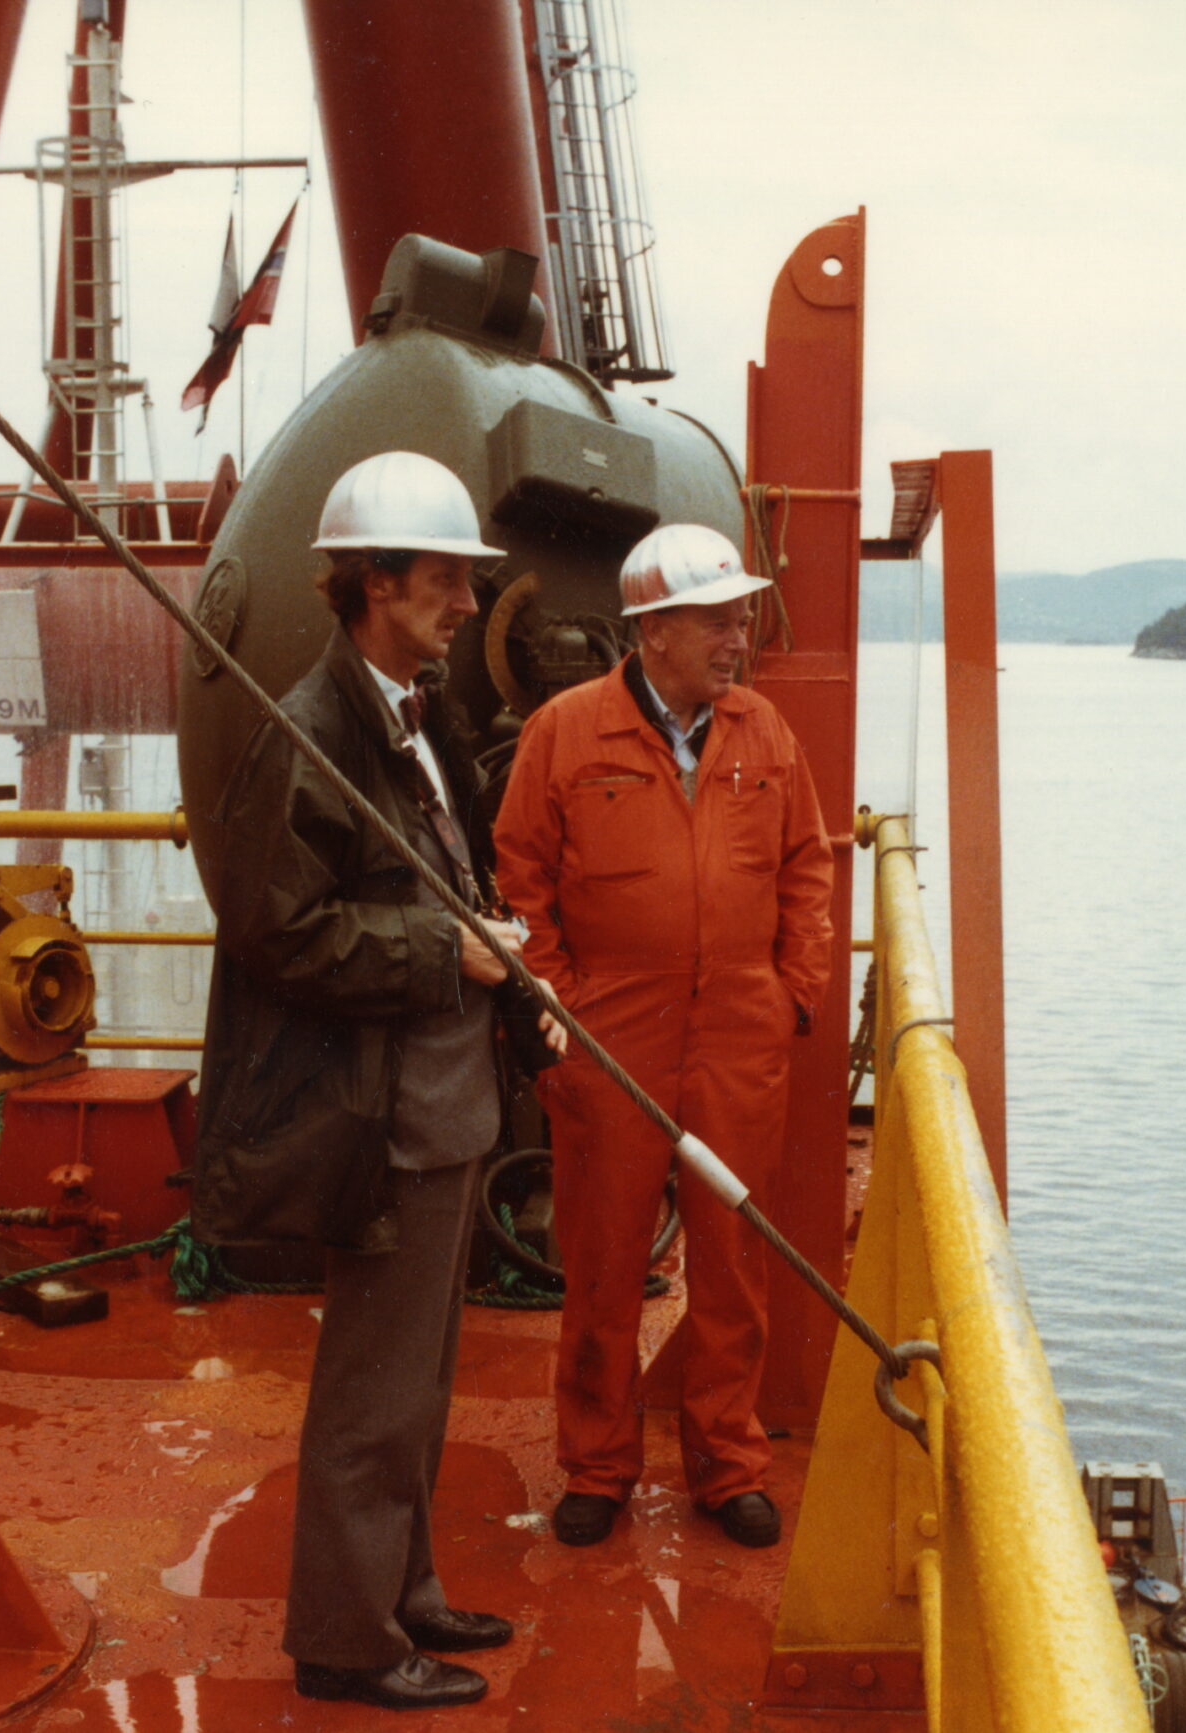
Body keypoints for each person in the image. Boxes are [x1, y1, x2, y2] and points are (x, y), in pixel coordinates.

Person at [190, 449, 563, 1711]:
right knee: (374, 1390)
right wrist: (446, 950)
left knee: (419, 1383)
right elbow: (275, 931)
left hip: (439, 1106)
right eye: (446, 579)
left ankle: (405, 1587)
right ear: (373, 582)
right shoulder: (310, 731)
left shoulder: (405, 709)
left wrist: (491, 956)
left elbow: (426, 881)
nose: (469, 603)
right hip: (385, 1120)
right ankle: (347, 1637)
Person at [490, 521, 834, 1551]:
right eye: (718, 619)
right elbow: (521, 876)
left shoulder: (764, 732)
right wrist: (561, 1007)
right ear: (654, 632)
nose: (738, 636)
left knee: (732, 1260)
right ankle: (597, 1465)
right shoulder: (565, 731)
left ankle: (728, 1464)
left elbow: (807, 868)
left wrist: (792, 993)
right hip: (610, 1036)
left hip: (738, 1031)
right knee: (602, 1262)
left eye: (740, 615)